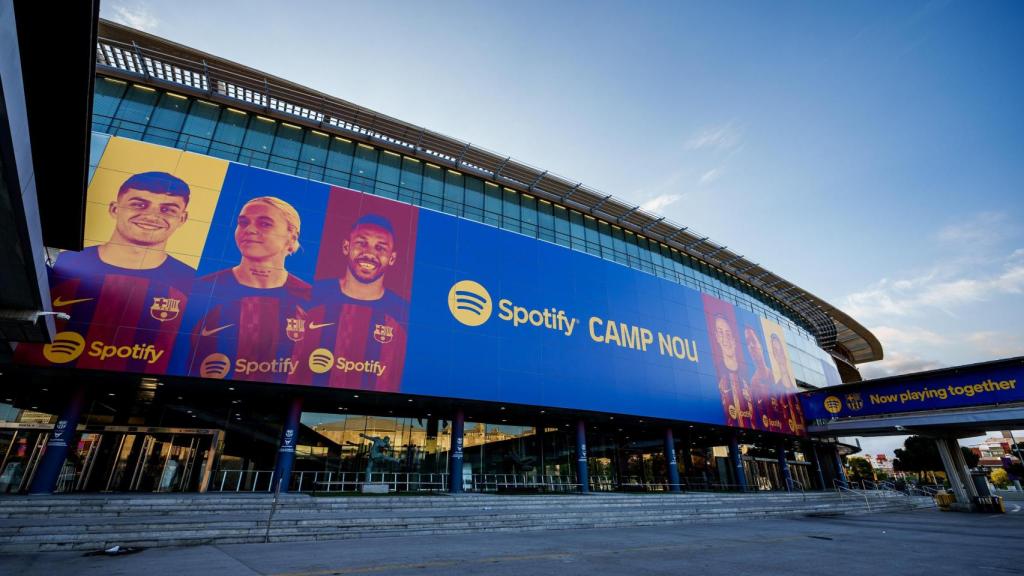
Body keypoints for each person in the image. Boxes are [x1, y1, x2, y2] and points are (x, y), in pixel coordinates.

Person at [18, 172, 195, 373]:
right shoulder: (63, 262)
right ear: (114, 208)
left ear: (182, 219)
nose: (153, 216)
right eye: (139, 204)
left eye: (167, 209)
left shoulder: (194, 283)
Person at [179, 196, 311, 381]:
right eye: (243, 223)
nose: (249, 229)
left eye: (264, 224)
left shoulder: (311, 299)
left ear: (292, 237)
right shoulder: (201, 289)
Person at [291, 213, 409, 391]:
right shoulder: (310, 296)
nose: (369, 253)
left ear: (392, 258)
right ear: (346, 247)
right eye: (361, 243)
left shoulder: (403, 313)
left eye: (380, 248)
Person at [711, 314, 754, 429]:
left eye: (728, 333)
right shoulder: (715, 372)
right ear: (716, 337)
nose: (725, 338)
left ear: (734, 339)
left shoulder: (748, 373)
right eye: (720, 333)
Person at [743, 326, 781, 432]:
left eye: (753, 341)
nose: (751, 346)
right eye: (748, 343)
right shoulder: (753, 383)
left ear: (760, 344)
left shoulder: (776, 375)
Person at [768, 333, 806, 435]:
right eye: (775, 351)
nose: (779, 354)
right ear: (774, 355)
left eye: (780, 349)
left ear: (784, 352)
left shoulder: (796, 392)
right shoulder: (774, 391)